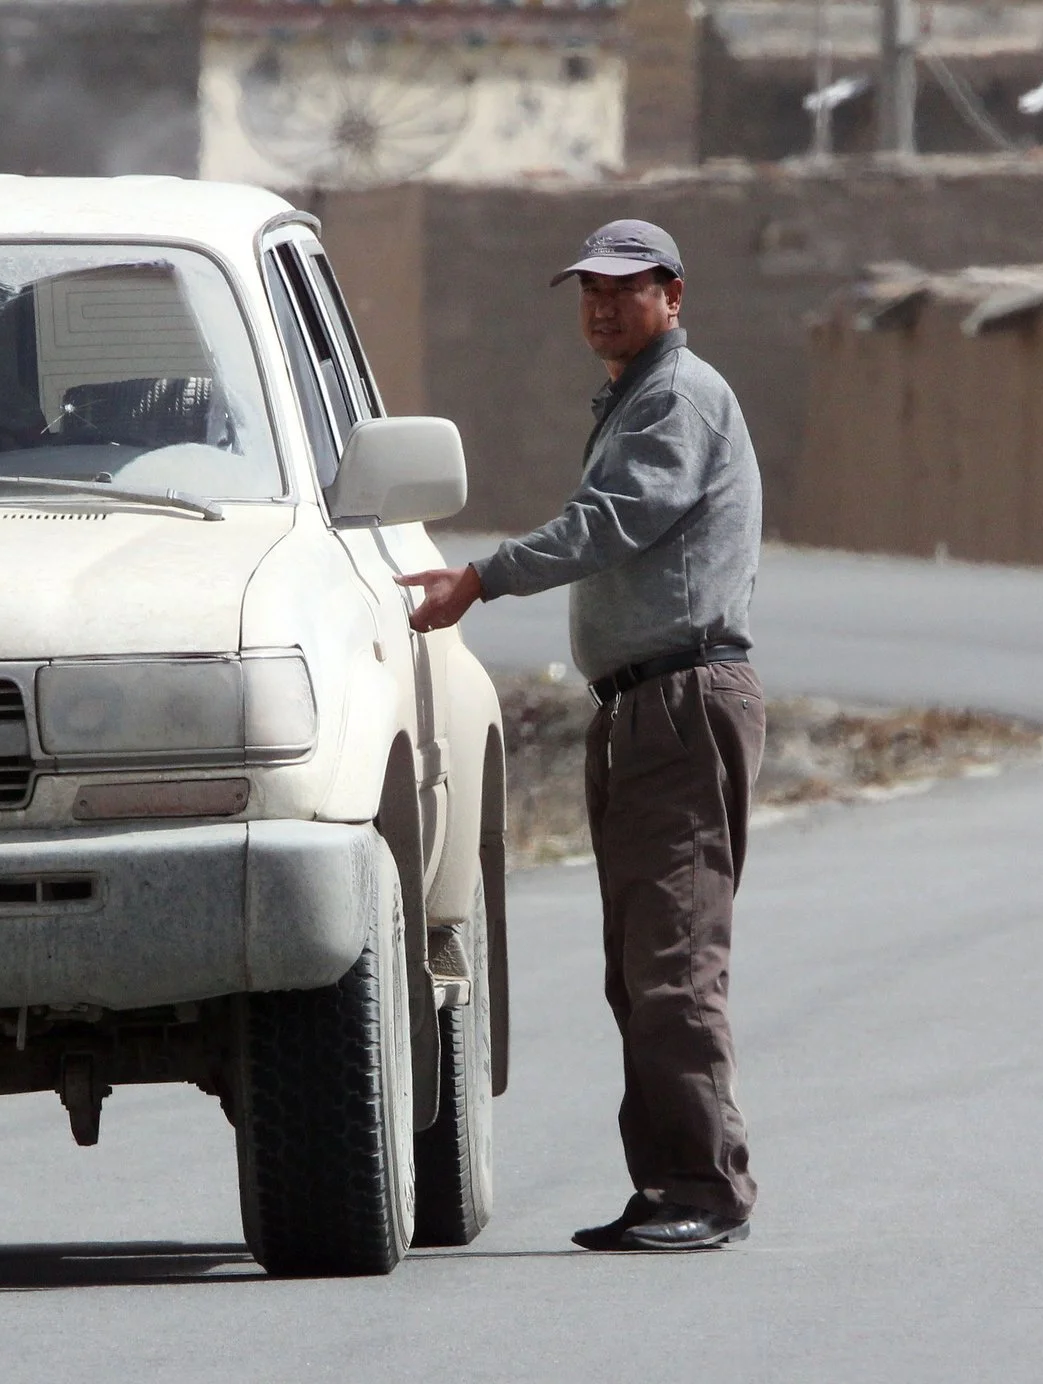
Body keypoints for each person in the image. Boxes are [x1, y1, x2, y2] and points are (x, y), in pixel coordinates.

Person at [395, 219, 765, 1253]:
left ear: (673, 296)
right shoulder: (635, 398)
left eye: (625, 288)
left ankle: (705, 1187)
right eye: (590, 291)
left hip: (681, 703)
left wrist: (483, 577)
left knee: (673, 963)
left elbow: (613, 518)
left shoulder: (678, 397)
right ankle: (667, 1182)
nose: (602, 307)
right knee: (638, 968)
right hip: (641, 709)